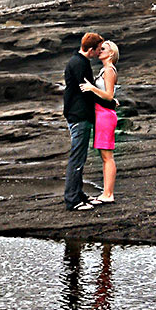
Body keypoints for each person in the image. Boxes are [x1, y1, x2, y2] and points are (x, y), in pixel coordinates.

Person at [62, 32, 104, 210]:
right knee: (77, 158)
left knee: (80, 157)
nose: (100, 52)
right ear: (92, 49)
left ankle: (78, 195)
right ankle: (73, 200)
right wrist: (107, 101)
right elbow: (86, 89)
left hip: (78, 114)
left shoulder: (79, 61)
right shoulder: (79, 63)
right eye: (99, 49)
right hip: (78, 115)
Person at [81, 40, 120, 203]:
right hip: (102, 114)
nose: (99, 51)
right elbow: (111, 96)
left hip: (105, 116)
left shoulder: (109, 70)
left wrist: (91, 88)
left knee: (107, 157)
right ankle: (106, 193)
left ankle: (108, 194)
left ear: (111, 53)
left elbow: (109, 95)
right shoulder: (105, 70)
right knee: (105, 156)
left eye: (103, 49)